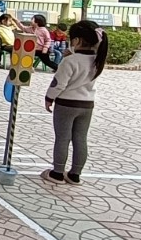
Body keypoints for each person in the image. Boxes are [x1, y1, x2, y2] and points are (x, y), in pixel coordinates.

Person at [42, 21, 109, 185]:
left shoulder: (70, 61)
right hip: (87, 104)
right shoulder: (97, 60)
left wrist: (49, 98)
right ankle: (75, 174)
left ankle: (57, 173)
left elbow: (59, 84)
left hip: (66, 104)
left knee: (63, 138)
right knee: (80, 138)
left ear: (77, 40)